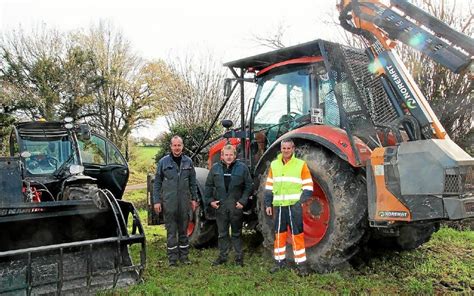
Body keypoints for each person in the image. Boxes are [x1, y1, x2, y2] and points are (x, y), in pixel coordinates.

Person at [264, 138, 313, 276]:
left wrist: (300, 201)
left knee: (297, 234)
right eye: (284, 148)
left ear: (293, 149)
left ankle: (301, 265)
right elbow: (269, 186)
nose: (286, 150)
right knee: (279, 235)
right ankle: (279, 262)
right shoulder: (274, 165)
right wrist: (268, 203)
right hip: (279, 206)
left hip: (294, 206)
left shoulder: (300, 164)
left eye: (288, 148)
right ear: (281, 149)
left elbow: (308, 186)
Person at [153, 135, 198, 267]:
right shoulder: (163, 162)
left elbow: (193, 183)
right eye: (174, 145)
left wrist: (194, 199)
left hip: (184, 203)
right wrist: (156, 201)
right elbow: (157, 183)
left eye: (179, 145)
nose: (177, 148)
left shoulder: (188, 162)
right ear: (171, 146)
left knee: (183, 230)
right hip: (169, 203)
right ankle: (172, 259)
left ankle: (184, 257)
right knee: (171, 231)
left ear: (182, 146)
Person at [204, 144, 252, 267]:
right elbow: (208, 186)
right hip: (221, 206)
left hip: (235, 205)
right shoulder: (215, 168)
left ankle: (238, 258)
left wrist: (243, 201)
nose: (229, 157)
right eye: (226, 155)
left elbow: (249, 186)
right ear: (222, 156)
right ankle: (222, 256)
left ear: (235, 156)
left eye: (231, 155)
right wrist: (210, 201)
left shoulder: (242, 168)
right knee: (222, 233)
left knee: (236, 233)